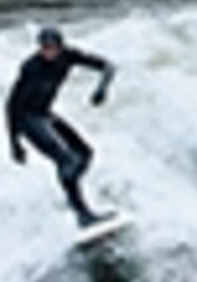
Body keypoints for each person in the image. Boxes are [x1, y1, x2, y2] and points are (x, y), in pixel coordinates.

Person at [6, 25, 115, 226]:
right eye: (45, 48)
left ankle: (71, 193)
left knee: (85, 154)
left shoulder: (68, 56)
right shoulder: (30, 67)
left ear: (60, 47)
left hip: (45, 115)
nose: (49, 53)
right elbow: (12, 105)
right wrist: (14, 143)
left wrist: (102, 89)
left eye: (53, 48)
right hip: (28, 120)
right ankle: (82, 215)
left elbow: (108, 66)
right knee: (66, 160)